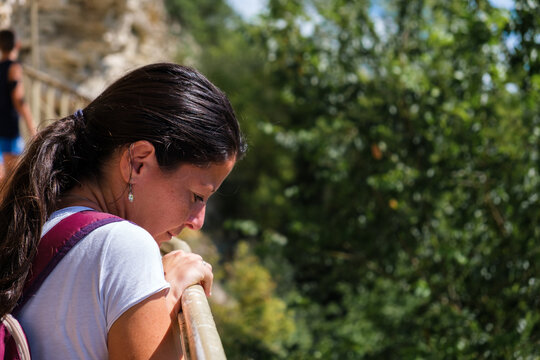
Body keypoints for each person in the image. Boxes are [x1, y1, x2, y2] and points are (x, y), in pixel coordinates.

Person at [0, 62, 246, 359]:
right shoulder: (124, 246)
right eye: (196, 196)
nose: (198, 221)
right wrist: (169, 291)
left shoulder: (40, 214)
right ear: (138, 162)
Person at [0, 29, 36, 179]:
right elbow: (19, 99)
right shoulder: (14, 67)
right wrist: (32, 128)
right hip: (9, 131)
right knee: (11, 181)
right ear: (18, 45)